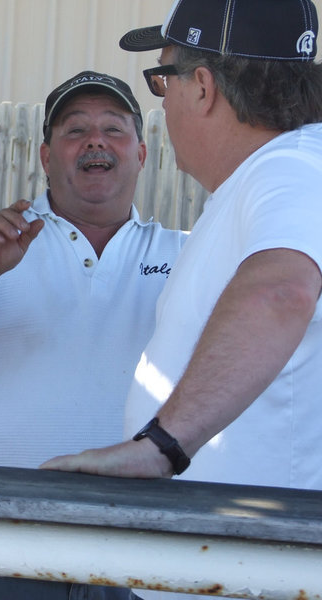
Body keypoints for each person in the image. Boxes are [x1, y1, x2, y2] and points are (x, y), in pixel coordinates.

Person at [41, 1, 322, 596]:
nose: (160, 101)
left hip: (261, 573)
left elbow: (281, 290)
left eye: (160, 78)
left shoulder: (290, 171)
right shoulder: (268, 177)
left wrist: (162, 448)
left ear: (202, 85)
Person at [0, 71, 186, 600]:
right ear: (47, 157)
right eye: (75, 130)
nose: (95, 140)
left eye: (113, 129)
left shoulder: (183, 256)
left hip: (140, 552)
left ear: (142, 154)